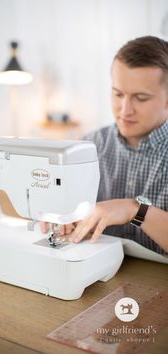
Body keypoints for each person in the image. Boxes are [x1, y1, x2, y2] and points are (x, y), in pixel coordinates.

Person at [41, 36, 168, 255]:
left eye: (140, 98)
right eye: (118, 94)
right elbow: (59, 203)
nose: (124, 110)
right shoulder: (88, 146)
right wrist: (59, 214)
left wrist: (135, 210)